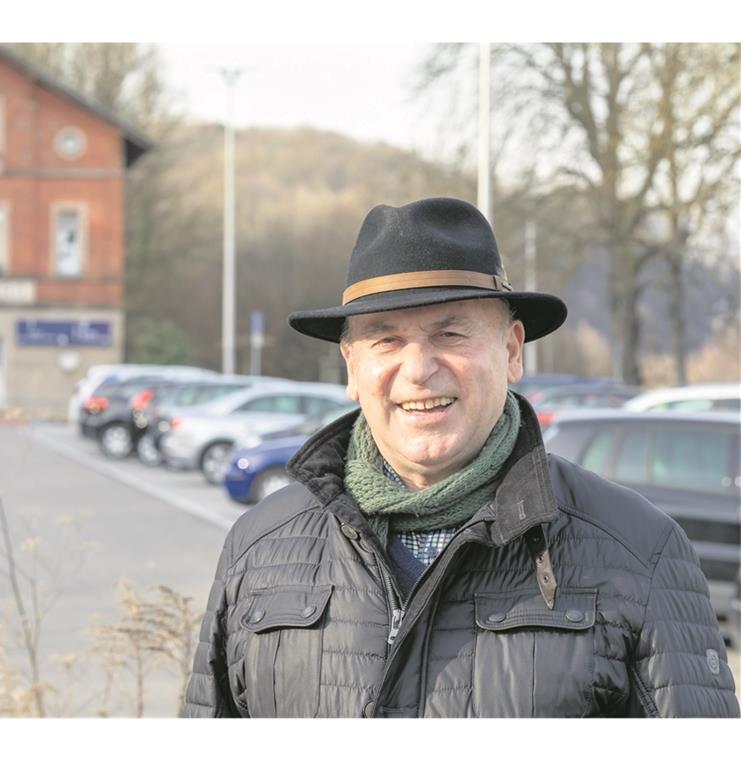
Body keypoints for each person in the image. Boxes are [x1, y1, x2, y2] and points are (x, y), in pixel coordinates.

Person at [181, 197, 739, 718]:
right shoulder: (258, 548)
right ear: (352, 366)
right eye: (385, 340)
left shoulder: (640, 551)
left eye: (450, 332)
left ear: (512, 350)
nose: (419, 368)